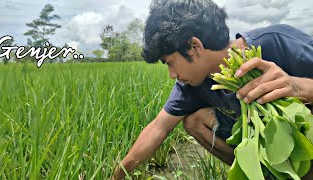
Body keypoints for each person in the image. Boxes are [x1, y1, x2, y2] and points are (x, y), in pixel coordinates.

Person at [113, 0, 313, 179]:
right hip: (268, 143)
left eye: (169, 63)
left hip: (305, 136)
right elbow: (158, 128)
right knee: (194, 120)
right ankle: (260, 174)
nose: (172, 74)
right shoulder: (191, 84)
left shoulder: (278, 41)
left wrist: (297, 87)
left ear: (194, 46)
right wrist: (116, 177)